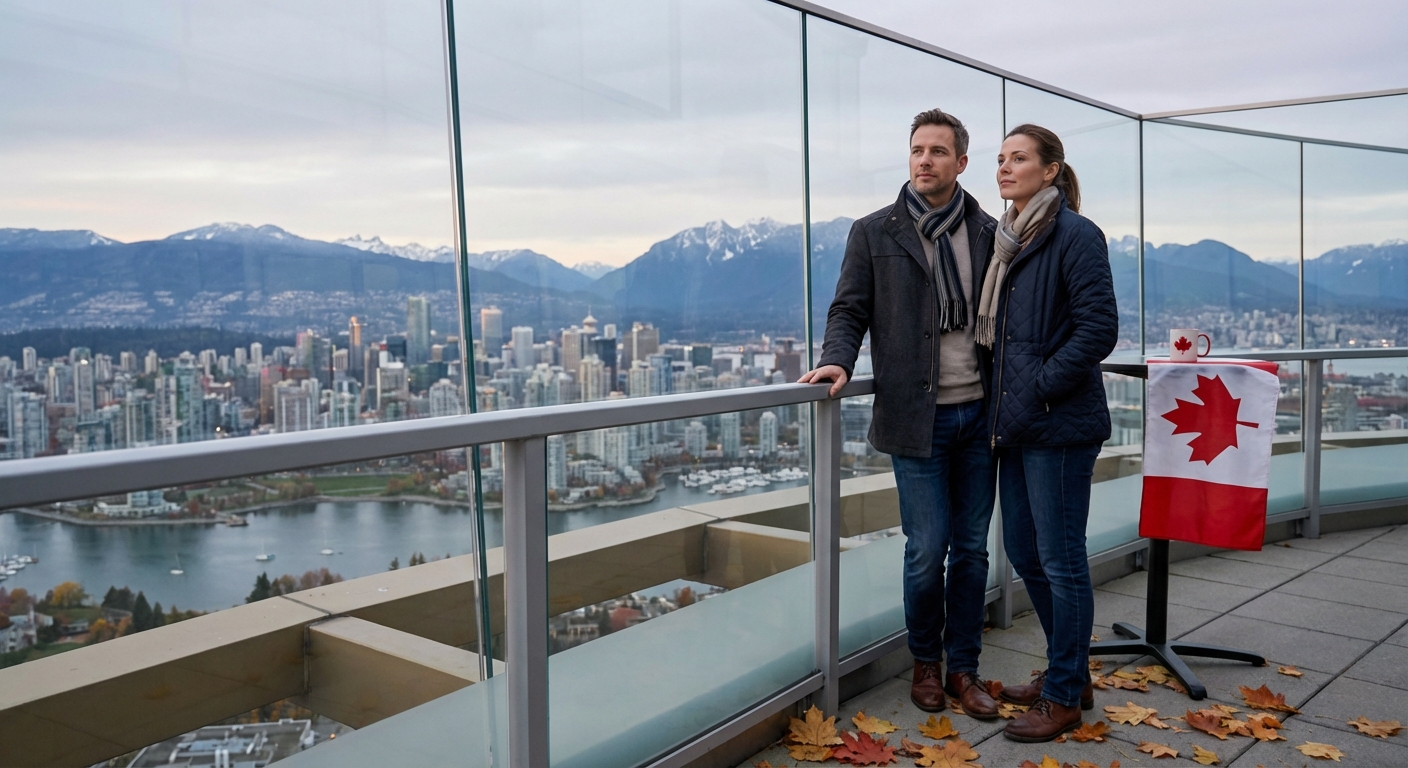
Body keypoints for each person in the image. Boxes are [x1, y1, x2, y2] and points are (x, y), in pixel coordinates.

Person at [799, 108, 1001, 718]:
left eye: (938, 151)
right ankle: (926, 664)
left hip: (980, 416)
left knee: (971, 549)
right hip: (918, 419)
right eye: (917, 150)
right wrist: (837, 360)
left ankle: (965, 668)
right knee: (925, 548)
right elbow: (848, 310)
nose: (924, 160)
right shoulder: (874, 231)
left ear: (961, 163)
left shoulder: (991, 231)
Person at [978, 124, 1118, 742]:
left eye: (1019, 159)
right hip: (1016, 424)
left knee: (1061, 560)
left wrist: (1036, 384)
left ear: (1052, 169)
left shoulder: (1076, 235)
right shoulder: (1007, 238)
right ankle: (1072, 672)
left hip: (1058, 423)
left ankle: (1063, 695)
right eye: (1001, 159)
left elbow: (1098, 330)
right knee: (1029, 554)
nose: (1005, 168)